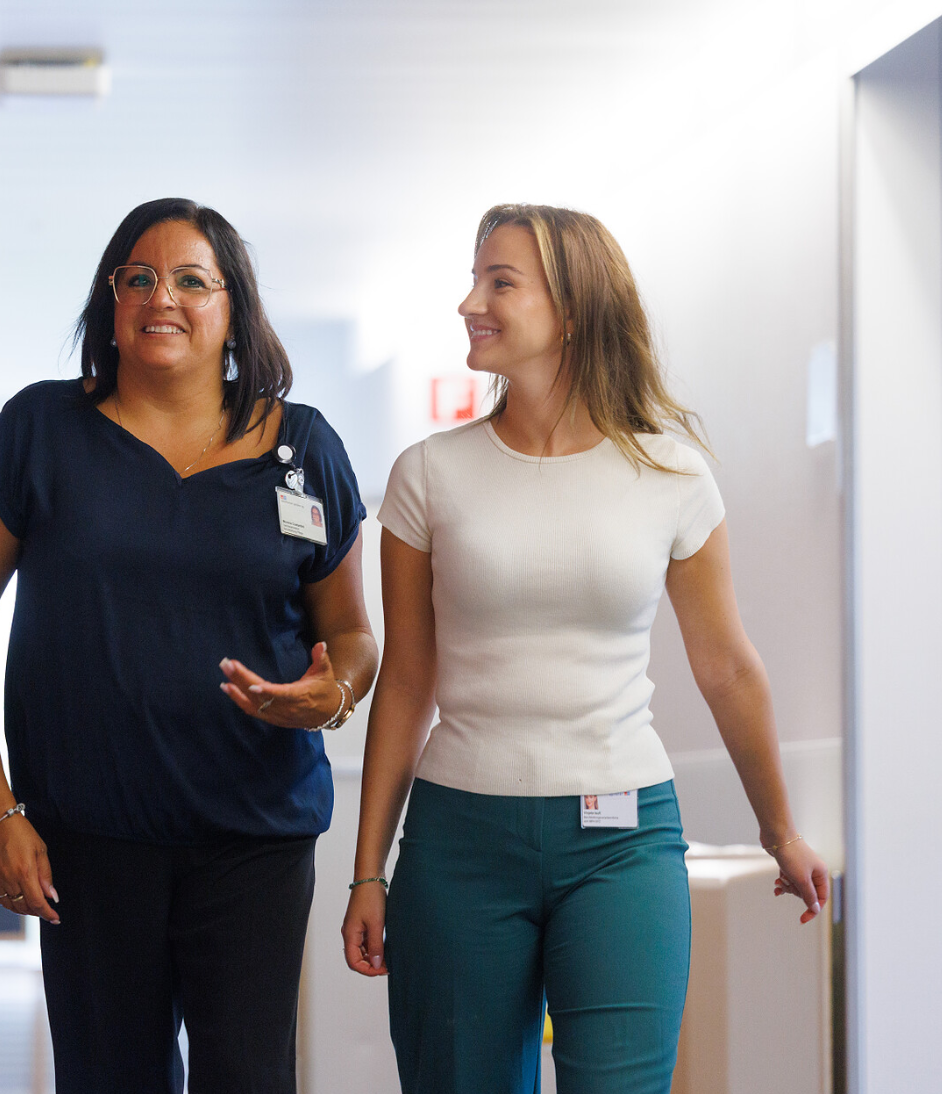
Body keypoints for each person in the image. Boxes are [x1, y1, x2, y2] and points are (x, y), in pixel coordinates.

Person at [341, 204, 830, 1094]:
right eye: (474, 278)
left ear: (571, 311)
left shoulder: (670, 473)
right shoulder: (427, 474)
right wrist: (367, 871)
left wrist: (780, 829)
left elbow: (726, 666)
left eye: (499, 282)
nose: (469, 303)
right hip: (459, 842)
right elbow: (407, 681)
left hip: (623, 842)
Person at [0, 197, 378, 1093]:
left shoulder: (304, 447)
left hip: (255, 837)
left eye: (190, 280)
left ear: (233, 308)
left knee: (248, 1079)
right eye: (136, 277)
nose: (160, 297)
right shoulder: (41, 432)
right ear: (110, 301)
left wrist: (330, 696)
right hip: (86, 841)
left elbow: (352, 636)